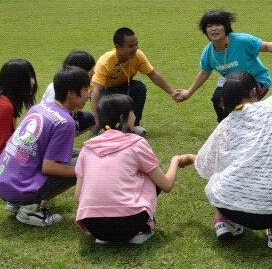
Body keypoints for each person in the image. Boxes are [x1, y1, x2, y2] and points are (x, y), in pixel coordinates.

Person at [194, 58, 272, 250]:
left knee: (219, 171)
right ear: (255, 91)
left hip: (231, 208)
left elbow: (204, 166)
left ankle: (222, 221)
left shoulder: (226, 124)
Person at [74, 94, 195, 245]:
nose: (134, 116)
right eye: (132, 112)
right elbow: (166, 185)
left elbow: (78, 196)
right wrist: (175, 160)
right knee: (148, 174)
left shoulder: (88, 147)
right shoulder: (136, 143)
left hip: (94, 227)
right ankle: (142, 229)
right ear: (122, 117)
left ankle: (106, 236)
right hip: (129, 223)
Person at [0, 67, 92, 227]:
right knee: (84, 167)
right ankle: (30, 208)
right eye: (86, 90)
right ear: (71, 93)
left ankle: (18, 203)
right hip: (18, 186)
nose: (88, 95)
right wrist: (83, 172)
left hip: (1, 181)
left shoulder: (39, 107)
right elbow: (49, 167)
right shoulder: (65, 122)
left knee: (79, 162)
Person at [174, 10, 272, 123]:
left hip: (257, 81)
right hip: (233, 83)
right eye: (209, 26)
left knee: (242, 103)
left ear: (226, 27)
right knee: (218, 98)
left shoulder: (241, 40)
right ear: (205, 31)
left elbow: (266, 46)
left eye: (218, 24)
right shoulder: (208, 52)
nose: (214, 29)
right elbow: (204, 73)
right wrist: (188, 92)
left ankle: (255, 128)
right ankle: (226, 127)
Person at [90, 27, 176, 136]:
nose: (135, 48)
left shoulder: (138, 56)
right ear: (118, 47)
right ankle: (106, 127)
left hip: (124, 86)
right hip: (106, 91)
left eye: (136, 44)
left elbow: (153, 74)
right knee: (106, 100)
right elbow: (96, 90)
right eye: (131, 46)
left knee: (139, 87)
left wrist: (172, 92)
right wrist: (95, 118)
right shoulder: (105, 62)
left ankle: (134, 124)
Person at [42, 50, 96, 134]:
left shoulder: (76, 85)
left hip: (64, 118)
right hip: (52, 125)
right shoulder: (56, 87)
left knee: (88, 118)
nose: (93, 72)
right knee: (70, 124)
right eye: (90, 69)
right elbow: (50, 116)